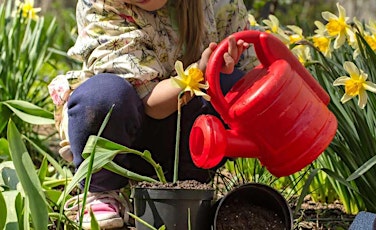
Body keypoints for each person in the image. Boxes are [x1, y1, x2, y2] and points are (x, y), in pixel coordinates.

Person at [47, 0, 259, 228]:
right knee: (103, 96)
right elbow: (152, 105)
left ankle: (192, 188)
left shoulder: (217, 4)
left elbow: (256, 67)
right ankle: (102, 190)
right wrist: (199, 72)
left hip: (186, 138)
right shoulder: (102, 6)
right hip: (127, 138)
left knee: (237, 87)